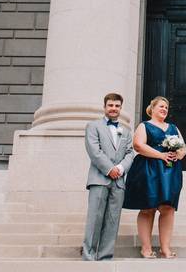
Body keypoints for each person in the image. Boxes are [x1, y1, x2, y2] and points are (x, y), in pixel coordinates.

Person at [123, 95, 186, 258]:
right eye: (161, 106)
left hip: (170, 171)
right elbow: (138, 145)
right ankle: (146, 248)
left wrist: (178, 154)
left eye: (166, 107)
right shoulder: (145, 126)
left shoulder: (173, 127)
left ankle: (165, 248)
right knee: (148, 207)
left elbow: (183, 147)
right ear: (152, 109)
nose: (164, 109)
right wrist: (161, 155)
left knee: (168, 208)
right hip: (149, 170)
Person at [81, 92, 135, 261]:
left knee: (113, 219)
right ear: (105, 107)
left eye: (117, 106)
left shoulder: (125, 131)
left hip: (118, 181)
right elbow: (94, 151)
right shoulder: (93, 126)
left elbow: (130, 153)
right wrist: (109, 168)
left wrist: (120, 168)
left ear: (120, 108)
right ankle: (89, 254)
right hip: (99, 178)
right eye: (110, 105)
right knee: (95, 218)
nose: (113, 108)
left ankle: (105, 255)